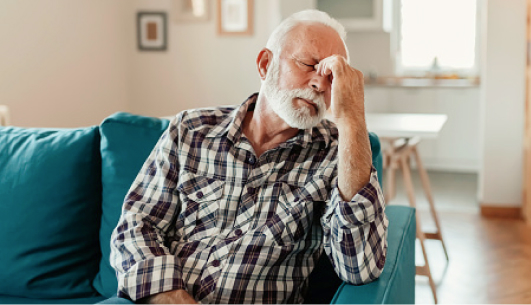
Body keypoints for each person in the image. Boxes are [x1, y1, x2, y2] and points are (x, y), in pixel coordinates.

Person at [110, 9, 388, 304]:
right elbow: (137, 225)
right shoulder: (191, 129)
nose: (320, 84)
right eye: (309, 64)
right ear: (265, 64)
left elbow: (361, 267)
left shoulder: (336, 155)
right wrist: (169, 295)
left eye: (332, 77)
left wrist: (352, 119)